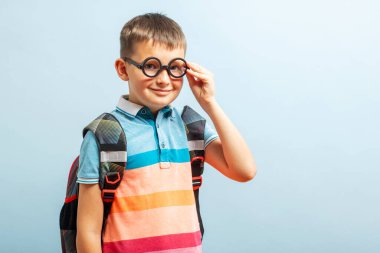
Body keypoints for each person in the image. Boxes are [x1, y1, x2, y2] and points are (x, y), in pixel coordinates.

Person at [76, 12, 257, 253]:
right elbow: (87, 231)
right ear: (123, 69)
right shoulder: (105, 135)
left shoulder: (189, 126)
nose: (164, 79)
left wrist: (210, 102)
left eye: (174, 68)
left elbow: (244, 171)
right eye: (150, 66)